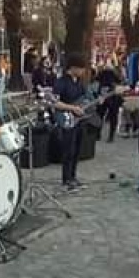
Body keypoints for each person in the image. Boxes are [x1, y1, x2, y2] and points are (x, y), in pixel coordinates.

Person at [52, 54, 89, 192]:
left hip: (79, 120)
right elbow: (55, 102)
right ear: (73, 68)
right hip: (67, 118)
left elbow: (85, 98)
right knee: (69, 150)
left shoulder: (79, 82)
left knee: (77, 150)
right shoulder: (61, 82)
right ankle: (66, 179)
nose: (82, 72)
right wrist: (72, 108)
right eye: (80, 69)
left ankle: (73, 177)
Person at [96, 60, 124, 142]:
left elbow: (96, 78)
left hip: (104, 94)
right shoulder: (114, 72)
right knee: (112, 116)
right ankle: (110, 136)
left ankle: (98, 134)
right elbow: (120, 80)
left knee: (100, 114)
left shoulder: (102, 72)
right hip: (112, 95)